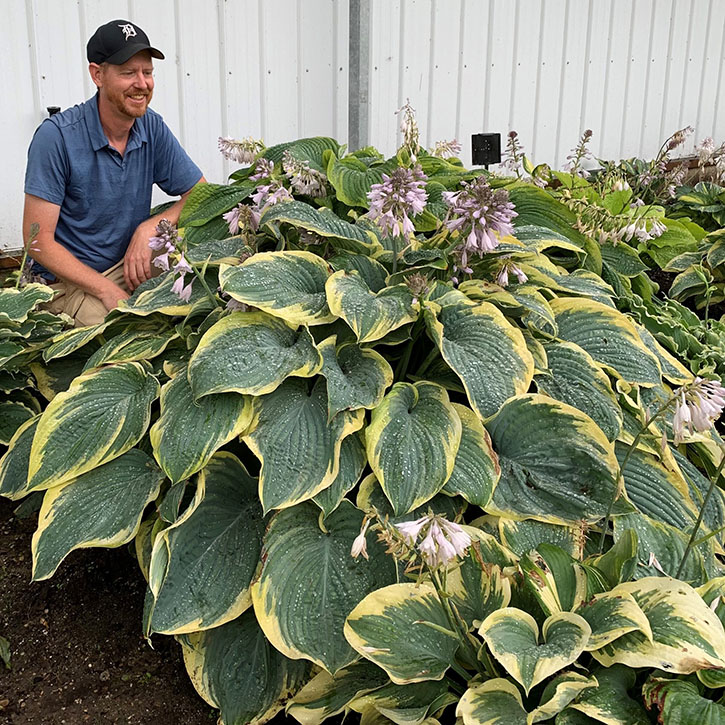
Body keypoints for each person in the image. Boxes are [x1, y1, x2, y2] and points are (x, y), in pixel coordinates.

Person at [22, 19, 205, 326]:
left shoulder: (151, 126)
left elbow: (201, 193)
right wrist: (106, 290)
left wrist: (149, 227)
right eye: (128, 72)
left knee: (201, 285)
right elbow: (37, 241)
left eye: (147, 72)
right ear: (98, 74)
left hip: (127, 264)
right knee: (125, 339)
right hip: (67, 282)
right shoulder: (57, 137)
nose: (142, 83)